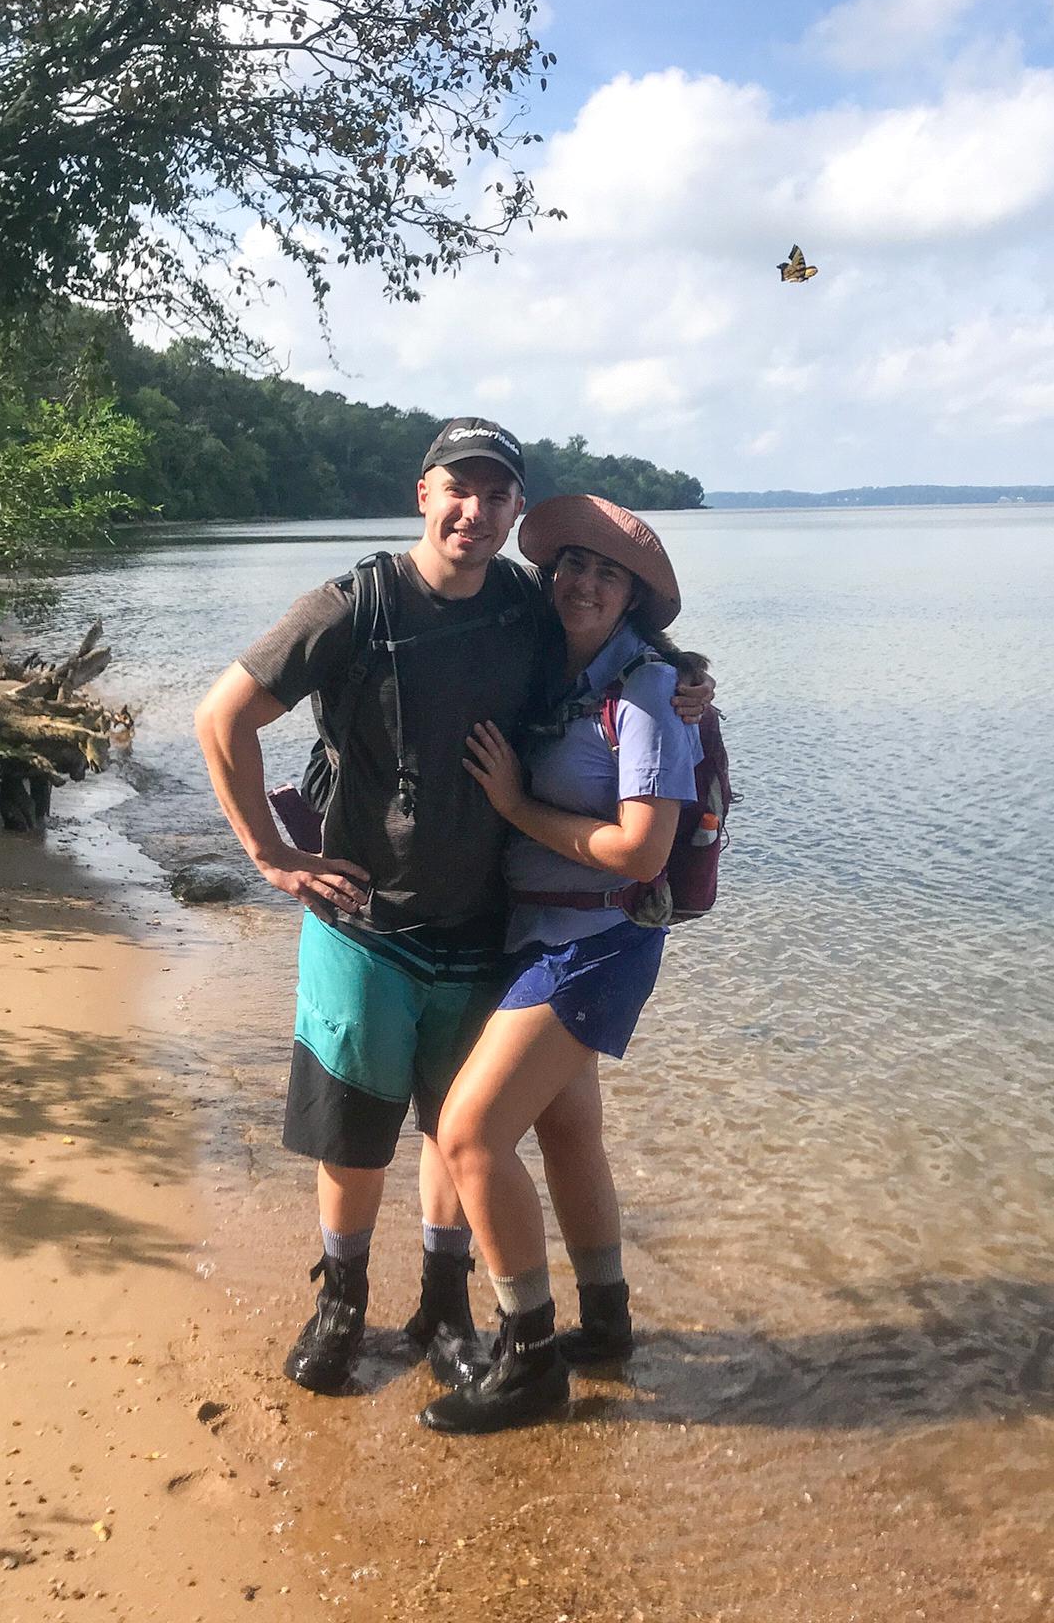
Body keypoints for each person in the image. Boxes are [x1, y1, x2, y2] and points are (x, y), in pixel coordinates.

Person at [193, 425, 711, 1397]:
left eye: (496, 494)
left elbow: (617, 653)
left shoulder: (528, 603)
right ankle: (341, 1302)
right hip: (364, 917)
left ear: (516, 513)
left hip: (482, 927)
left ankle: (446, 1302)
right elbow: (222, 716)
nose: (475, 510)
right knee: (352, 1128)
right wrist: (270, 852)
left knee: (453, 1128)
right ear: (422, 493)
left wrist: (684, 679)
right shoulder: (352, 604)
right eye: (458, 489)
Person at [420, 495, 703, 1434]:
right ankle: (607, 1321)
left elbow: (642, 852)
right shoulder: (552, 672)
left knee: (468, 1138)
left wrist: (512, 807)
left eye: (605, 572)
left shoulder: (652, 693)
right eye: (571, 564)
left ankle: (532, 1357)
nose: (582, 581)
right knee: (568, 1132)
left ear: (633, 598)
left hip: (601, 939)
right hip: (539, 932)